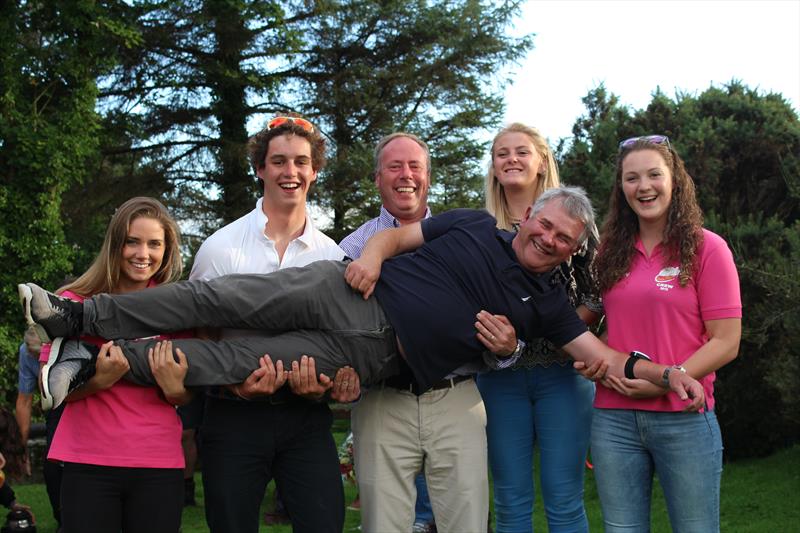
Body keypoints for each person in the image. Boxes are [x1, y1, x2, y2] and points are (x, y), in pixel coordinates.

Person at [22, 188, 706, 419]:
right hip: (345, 289)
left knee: (228, 357)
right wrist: (372, 258)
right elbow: (404, 233)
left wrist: (666, 372)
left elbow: (609, 358)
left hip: (370, 355)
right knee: (221, 294)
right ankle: (76, 317)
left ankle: (87, 361)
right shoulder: (473, 222)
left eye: (564, 240)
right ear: (528, 216)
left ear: (569, 251)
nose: (549, 239)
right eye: (545, 225)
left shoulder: (547, 304)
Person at [153, 115, 353, 533]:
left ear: (315, 170)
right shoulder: (220, 247)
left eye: (301, 161)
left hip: (306, 416)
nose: (290, 172)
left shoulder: (331, 257)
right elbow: (200, 332)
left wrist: (326, 384)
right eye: (278, 161)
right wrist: (230, 385)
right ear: (260, 168)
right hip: (235, 417)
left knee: (325, 524)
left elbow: (337, 339)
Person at [587, 135, 741, 532]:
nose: (644, 186)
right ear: (621, 188)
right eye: (632, 178)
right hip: (613, 418)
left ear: (675, 180)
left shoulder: (708, 249)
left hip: (684, 416)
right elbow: (591, 327)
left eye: (654, 174)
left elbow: (726, 340)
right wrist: (595, 364)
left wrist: (666, 379)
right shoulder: (607, 253)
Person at [340, 133, 489, 532]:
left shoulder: (466, 238)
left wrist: (509, 348)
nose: (406, 175)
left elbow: (502, 314)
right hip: (382, 402)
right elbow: (342, 327)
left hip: (456, 397)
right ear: (377, 178)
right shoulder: (353, 247)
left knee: (467, 523)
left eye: (415, 166)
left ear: (428, 176)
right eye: (394, 166)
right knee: (382, 525)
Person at [36, 196, 190, 533]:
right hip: (87, 462)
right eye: (132, 242)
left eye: (154, 244)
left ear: (167, 250)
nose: (142, 254)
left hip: (158, 463)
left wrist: (176, 390)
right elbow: (49, 391)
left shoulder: (177, 309)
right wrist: (97, 381)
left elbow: (188, 397)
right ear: (114, 245)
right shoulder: (73, 305)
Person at [476, 123, 599, 532]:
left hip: (562, 375)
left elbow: (597, 296)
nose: (511, 159)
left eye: (521, 151)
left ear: (541, 161)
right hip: (499, 378)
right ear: (493, 166)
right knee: (511, 499)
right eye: (502, 153)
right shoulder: (480, 227)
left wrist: (561, 335)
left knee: (563, 498)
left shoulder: (574, 217)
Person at [15, 328, 41, 469]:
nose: (36, 358)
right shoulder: (26, 351)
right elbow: (24, 401)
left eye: (38, 354)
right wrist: (21, 449)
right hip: (53, 408)